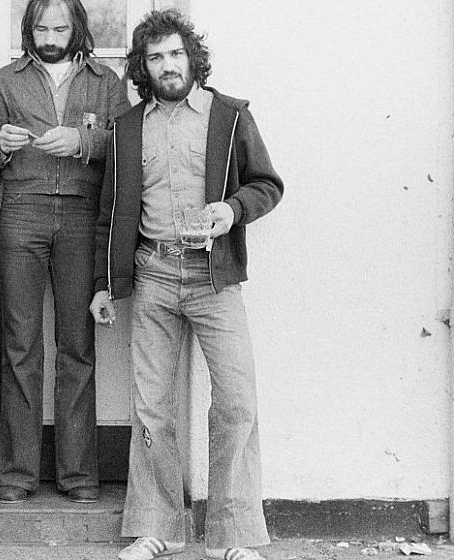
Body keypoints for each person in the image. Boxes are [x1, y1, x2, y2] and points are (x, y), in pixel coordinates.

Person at [89, 9, 283, 560]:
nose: (167, 66)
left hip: (213, 278)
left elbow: (267, 184)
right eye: (155, 58)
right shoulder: (127, 128)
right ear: (142, 68)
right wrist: (106, 283)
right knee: (152, 406)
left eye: (176, 54)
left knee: (237, 402)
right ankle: (157, 529)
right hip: (152, 274)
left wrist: (232, 208)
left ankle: (235, 537)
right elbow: (111, 212)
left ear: (192, 58)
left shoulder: (230, 115)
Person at [0, 0, 125, 505]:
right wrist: (2, 144)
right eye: (42, 26)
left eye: (61, 26)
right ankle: (16, 473)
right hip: (22, 209)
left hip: (82, 214)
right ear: (29, 30)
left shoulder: (106, 81)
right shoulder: (5, 80)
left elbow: (127, 145)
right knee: (19, 342)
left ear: (77, 28)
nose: (51, 34)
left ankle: (79, 474)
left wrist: (82, 140)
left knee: (77, 344)